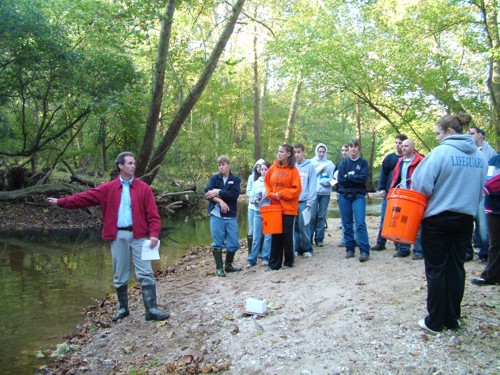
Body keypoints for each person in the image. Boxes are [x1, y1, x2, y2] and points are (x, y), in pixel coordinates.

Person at [47, 151, 169, 322]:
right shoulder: (108, 188)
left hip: (140, 236)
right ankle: (123, 309)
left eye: (134, 163)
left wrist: (154, 234)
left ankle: (152, 310)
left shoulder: (144, 188)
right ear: (120, 166)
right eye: (130, 163)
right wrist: (61, 202)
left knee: (145, 272)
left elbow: (153, 215)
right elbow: (84, 198)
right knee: (120, 273)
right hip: (118, 235)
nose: (133, 166)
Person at [412, 114, 487, 334]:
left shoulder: (441, 153)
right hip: (465, 219)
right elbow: (481, 188)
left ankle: (435, 321)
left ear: (449, 132)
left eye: (438, 133)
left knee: (436, 269)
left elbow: (420, 184)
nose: (437, 138)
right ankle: (452, 318)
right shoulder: (479, 157)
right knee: (456, 268)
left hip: (438, 218)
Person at [264, 144, 301, 271]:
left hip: (289, 209)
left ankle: (289, 262)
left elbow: (296, 190)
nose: (279, 154)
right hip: (275, 208)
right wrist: (270, 194)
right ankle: (274, 264)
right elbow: (267, 183)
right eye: (278, 151)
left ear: (288, 154)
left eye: (281, 152)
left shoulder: (293, 171)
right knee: (276, 235)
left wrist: (281, 194)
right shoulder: (272, 169)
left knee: (287, 235)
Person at [204, 155, 242, 277]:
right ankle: (219, 268)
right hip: (216, 215)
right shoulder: (214, 178)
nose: (221, 167)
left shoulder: (235, 179)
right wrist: (220, 201)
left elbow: (234, 195)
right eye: (219, 165)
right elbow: (207, 193)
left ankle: (229, 265)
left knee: (234, 242)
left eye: (223, 164)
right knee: (218, 242)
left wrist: (218, 192)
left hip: (230, 215)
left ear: (229, 165)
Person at [389, 139, 425, 260]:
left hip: (415, 195)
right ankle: (403, 249)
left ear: (413, 148)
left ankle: (419, 251)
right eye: (402, 146)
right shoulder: (400, 161)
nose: (403, 148)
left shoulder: (420, 160)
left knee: (417, 223)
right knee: (402, 222)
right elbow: (395, 178)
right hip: (402, 195)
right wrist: (392, 190)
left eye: (406, 146)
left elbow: (424, 177)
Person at [337, 139, 371, 262]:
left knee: (360, 223)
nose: (353, 149)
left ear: (358, 149)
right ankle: (350, 249)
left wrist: (350, 177)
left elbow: (363, 178)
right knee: (347, 223)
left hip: (358, 196)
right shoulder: (343, 164)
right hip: (344, 196)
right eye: (351, 146)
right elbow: (341, 180)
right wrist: (354, 178)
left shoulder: (363, 163)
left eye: (355, 146)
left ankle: (364, 250)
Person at [372, 134, 407, 251]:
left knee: (399, 219)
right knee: (384, 218)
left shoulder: (407, 159)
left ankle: (398, 243)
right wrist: (382, 188)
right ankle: (381, 242)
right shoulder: (389, 158)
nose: (398, 145)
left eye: (400, 143)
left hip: (402, 193)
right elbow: (383, 175)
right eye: (396, 143)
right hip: (389, 192)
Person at [467, 127, 496, 262]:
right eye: (468, 133)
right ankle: (467, 252)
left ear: (480, 136)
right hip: (467, 191)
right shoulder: (466, 150)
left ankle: (485, 253)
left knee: (482, 224)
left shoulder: (490, 153)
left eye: (472, 133)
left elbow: (492, 175)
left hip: (483, 192)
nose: (469, 135)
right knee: (466, 222)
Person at [471, 155, 500, 285]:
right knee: (495, 243)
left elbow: (490, 185)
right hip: (493, 208)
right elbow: (486, 181)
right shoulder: (494, 160)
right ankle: (490, 276)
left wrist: (489, 188)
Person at [293, 143, 317, 257]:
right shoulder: (292, 166)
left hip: (304, 200)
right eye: (295, 152)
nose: (297, 155)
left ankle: (307, 248)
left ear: (303, 152)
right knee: (295, 226)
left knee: (304, 225)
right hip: (293, 201)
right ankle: (297, 248)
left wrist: (310, 201)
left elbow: (312, 184)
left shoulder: (309, 166)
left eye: (299, 152)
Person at [246, 162, 272, 267]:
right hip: (257, 211)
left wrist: (269, 196)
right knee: (256, 236)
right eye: (262, 169)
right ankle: (252, 259)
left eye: (266, 169)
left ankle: (265, 257)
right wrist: (255, 199)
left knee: (268, 236)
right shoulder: (256, 183)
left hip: (269, 212)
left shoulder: (272, 182)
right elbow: (251, 197)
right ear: (259, 171)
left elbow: (275, 197)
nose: (264, 171)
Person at [310, 143, 335, 247]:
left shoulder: (330, 164)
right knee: (312, 216)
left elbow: (333, 178)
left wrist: (328, 181)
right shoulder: (311, 162)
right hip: (314, 192)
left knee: (322, 216)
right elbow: (310, 177)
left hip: (325, 192)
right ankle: (309, 237)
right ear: (316, 151)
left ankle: (319, 239)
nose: (321, 153)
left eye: (323, 152)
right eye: (319, 151)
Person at [245, 159, 265, 254]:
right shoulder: (251, 177)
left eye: (260, 167)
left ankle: (260, 251)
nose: (258, 168)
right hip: (252, 207)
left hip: (262, 207)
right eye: (257, 166)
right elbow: (248, 191)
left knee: (261, 230)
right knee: (252, 229)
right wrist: (254, 197)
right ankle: (251, 251)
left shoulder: (265, 178)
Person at [334, 144, 350, 247]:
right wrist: (335, 185)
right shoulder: (338, 164)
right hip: (340, 192)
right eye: (342, 150)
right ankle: (345, 239)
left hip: (353, 193)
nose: (344, 152)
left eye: (346, 150)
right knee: (344, 218)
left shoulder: (355, 163)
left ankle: (356, 238)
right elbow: (333, 178)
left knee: (355, 219)